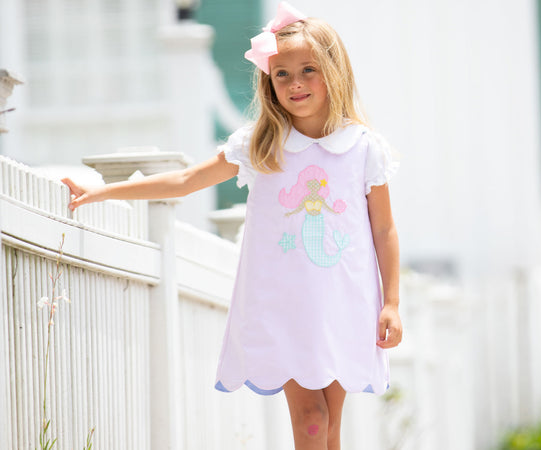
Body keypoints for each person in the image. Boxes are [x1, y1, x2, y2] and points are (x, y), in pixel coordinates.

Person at [62, 2, 403, 448]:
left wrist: (392, 302)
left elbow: (384, 231)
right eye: (281, 74)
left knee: (331, 426)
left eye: (308, 69)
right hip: (283, 306)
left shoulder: (362, 148)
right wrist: (101, 191)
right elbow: (187, 180)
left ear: (334, 71)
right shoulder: (261, 145)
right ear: (268, 81)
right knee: (312, 420)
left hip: (343, 304)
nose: (295, 83)